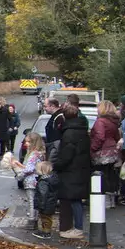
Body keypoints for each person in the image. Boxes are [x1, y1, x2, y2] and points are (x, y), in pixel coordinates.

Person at [51, 99, 92, 240]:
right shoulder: (82, 130)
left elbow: (66, 155)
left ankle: (78, 228)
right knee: (76, 200)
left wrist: (55, 165)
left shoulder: (69, 133)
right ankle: (76, 227)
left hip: (71, 171)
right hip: (81, 169)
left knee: (74, 200)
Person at [90, 99, 122, 205]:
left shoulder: (100, 121)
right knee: (111, 175)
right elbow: (117, 136)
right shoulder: (113, 122)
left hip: (102, 152)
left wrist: (93, 148)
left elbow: (100, 137)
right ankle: (112, 199)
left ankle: (103, 200)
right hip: (113, 151)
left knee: (100, 175)